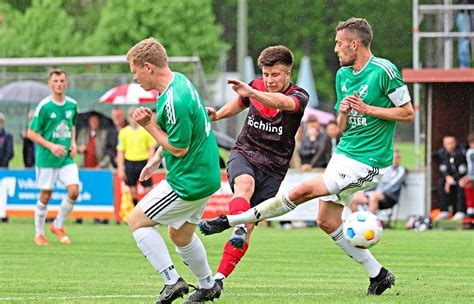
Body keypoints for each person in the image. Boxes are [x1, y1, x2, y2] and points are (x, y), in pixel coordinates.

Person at [200, 17, 414, 296]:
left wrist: (368, 108)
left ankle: (231, 221)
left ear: (354, 43)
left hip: (369, 161)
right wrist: (346, 113)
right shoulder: (342, 75)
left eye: (339, 44)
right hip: (344, 154)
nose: (336, 49)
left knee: (303, 190)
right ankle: (379, 274)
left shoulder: (384, 70)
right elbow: (341, 126)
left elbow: (408, 113)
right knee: (326, 221)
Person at [126, 37, 222, 303]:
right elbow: (179, 131)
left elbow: (179, 148)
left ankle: (172, 281)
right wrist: (157, 158)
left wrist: (148, 125)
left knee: (137, 221)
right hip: (206, 176)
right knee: (180, 235)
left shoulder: (174, 99)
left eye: (135, 72)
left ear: (148, 67)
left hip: (187, 181)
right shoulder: (180, 82)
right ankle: (207, 285)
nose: (135, 78)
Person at [205, 45, 309, 286]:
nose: (269, 80)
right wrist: (219, 115)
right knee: (244, 184)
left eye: (275, 75)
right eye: (266, 75)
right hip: (245, 152)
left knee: (248, 225)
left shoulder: (300, 95)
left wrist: (253, 92)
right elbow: (240, 103)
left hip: (274, 167)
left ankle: (218, 280)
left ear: (288, 73)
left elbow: (283, 103)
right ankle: (238, 226)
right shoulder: (255, 87)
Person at [27, 69, 80, 246]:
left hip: (65, 158)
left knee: (74, 190)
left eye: (62, 81)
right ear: (50, 84)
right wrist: (51, 146)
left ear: (67, 83)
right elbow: (31, 133)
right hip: (47, 158)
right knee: (46, 195)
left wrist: (73, 143)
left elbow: (72, 125)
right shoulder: (44, 106)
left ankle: (57, 225)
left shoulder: (72, 105)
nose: (59, 84)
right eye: (55, 81)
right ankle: (39, 233)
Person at [116, 106, 156, 206]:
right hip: (130, 162)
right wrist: (120, 168)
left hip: (143, 162)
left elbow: (151, 147)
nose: (133, 120)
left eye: (135, 117)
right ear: (128, 118)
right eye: (131, 117)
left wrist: (150, 162)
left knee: (148, 189)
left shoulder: (145, 130)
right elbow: (120, 151)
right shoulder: (123, 132)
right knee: (132, 189)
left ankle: (148, 209)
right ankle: (136, 208)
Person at [350, 149, 406, 214]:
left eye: (397, 158)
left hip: (389, 197)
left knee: (374, 196)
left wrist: (380, 191)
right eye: (394, 158)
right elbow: (375, 182)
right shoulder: (385, 169)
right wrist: (364, 191)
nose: (395, 160)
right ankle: (358, 222)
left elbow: (393, 183)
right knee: (354, 199)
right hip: (376, 195)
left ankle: (369, 222)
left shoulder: (401, 170)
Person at [435, 135, 467, 221]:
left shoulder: (462, 152)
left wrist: (452, 179)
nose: (450, 145)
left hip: (461, 177)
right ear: (444, 144)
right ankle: (444, 211)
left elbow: (463, 169)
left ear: (455, 143)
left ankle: (461, 211)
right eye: (447, 143)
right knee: (441, 183)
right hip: (449, 179)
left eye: (452, 143)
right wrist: (447, 178)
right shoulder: (442, 153)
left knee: (462, 184)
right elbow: (443, 168)